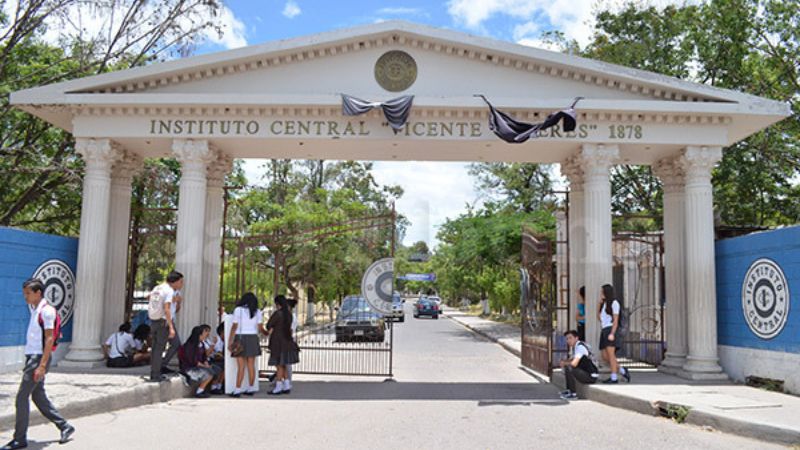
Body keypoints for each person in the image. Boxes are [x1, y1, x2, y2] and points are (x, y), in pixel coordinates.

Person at [2, 279, 74, 450]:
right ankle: (64, 426)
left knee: (21, 397)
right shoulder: (36, 309)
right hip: (33, 357)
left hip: (38, 358)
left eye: (28, 293)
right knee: (37, 395)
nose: (25, 296)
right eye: (24, 293)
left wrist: (41, 365)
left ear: (38, 293)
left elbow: (49, 339)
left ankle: (19, 438)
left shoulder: (47, 311)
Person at [148, 271, 184, 382]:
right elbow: (167, 309)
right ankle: (156, 374)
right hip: (164, 322)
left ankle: (158, 368)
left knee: (159, 347)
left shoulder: (157, 288)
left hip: (154, 320)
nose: (182, 284)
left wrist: (177, 302)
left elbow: (150, 298)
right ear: (175, 281)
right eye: (181, 281)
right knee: (159, 348)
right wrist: (171, 327)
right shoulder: (169, 291)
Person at [228, 292, 265, 397]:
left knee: (240, 366)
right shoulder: (257, 311)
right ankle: (251, 388)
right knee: (251, 365)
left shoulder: (238, 310)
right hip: (253, 338)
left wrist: (230, 341)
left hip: (240, 337)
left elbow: (234, 326)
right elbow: (260, 327)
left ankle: (237, 389)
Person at [265, 295, 299, 395]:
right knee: (283, 365)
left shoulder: (278, 314)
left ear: (277, 304)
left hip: (277, 342)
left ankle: (278, 387)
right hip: (287, 342)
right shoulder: (289, 314)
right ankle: (287, 385)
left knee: (279, 365)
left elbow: (268, 326)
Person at [597, 284, 631, 384]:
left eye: (602, 291)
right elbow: (600, 319)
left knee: (611, 355)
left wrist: (612, 333)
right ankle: (622, 370)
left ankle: (614, 377)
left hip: (610, 330)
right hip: (604, 330)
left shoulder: (614, 303)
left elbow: (615, 321)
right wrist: (598, 305)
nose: (601, 293)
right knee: (604, 355)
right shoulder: (604, 304)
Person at [179, 325, 221, 398]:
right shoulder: (190, 345)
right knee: (209, 373)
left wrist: (206, 363)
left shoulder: (201, 344)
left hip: (199, 366)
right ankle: (199, 391)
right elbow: (193, 361)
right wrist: (204, 366)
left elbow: (204, 357)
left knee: (217, 369)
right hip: (189, 368)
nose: (206, 335)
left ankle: (211, 388)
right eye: (204, 333)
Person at [558, 329, 599, 400]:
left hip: (591, 376)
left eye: (570, 338)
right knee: (568, 366)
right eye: (567, 339)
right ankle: (569, 391)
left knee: (570, 367)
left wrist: (564, 363)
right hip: (586, 373)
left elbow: (574, 363)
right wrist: (564, 361)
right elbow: (573, 359)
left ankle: (573, 394)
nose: (568, 340)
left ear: (576, 338)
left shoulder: (580, 347)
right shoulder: (576, 346)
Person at [204, 322, 225, 395]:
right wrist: (213, 344)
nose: (208, 334)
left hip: (215, 359)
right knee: (220, 366)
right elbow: (209, 353)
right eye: (206, 332)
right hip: (210, 360)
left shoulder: (209, 341)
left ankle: (219, 386)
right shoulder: (215, 340)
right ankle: (214, 386)